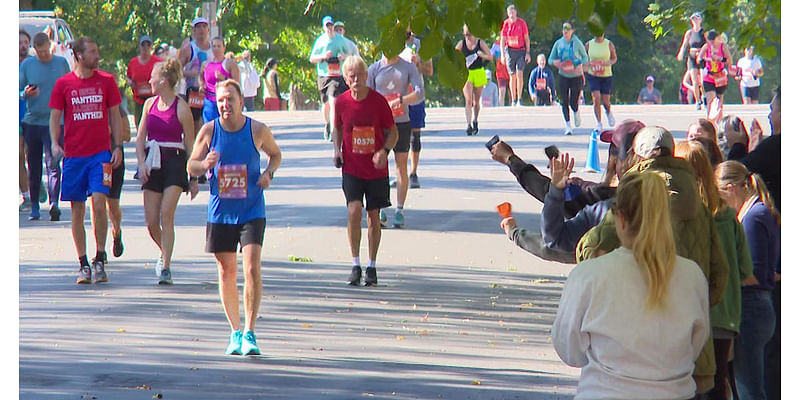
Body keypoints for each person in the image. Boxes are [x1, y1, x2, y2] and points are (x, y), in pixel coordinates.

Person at [577, 126, 730, 396]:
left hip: (638, 353)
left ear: (638, 156)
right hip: (691, 352)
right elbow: (720, 274)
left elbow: (590, 248)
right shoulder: (700, 206)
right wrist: (691, 305)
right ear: (673, 153)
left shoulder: (634, 196)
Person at [552, 171, 711, 399]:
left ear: (621, 219)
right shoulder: (692, 275)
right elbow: (695, 346)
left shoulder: (588, 275)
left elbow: (570, 351)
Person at [187, 79, 281, 355]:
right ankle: (235, 332)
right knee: (227, 270)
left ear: (241, 101)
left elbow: (275, 155)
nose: (225, 105)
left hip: (252, 208)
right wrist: (204, 164)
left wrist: (268, 174)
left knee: (251, 267)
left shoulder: (257, 130)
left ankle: (250, 332)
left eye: (230, 99)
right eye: (221, 100)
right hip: (221, 210)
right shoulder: (209, 130)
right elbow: (191, 164)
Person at [675, 141, 755, 400]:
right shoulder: (727, 215)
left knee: (684, 382)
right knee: (717, 382)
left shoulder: (684, 217)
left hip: (690, 313)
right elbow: (745, 268)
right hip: (725, 315)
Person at [49, 36, 124, 284]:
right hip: (74, 156)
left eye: (97, 50)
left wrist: (118, 146)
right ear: (79, 55)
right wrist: (54, 142)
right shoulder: (64, 84)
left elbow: (114, 115)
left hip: (100, 154)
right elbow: (55, 116)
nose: (97, 55)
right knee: (77, 209)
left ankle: (100, 258)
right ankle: (83, 263)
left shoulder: (107, 82)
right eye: (92, 51)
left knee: (100, 203)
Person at [715, 161, 780, 400]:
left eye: (719, 193)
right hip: (760, 306)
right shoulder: (759, 211)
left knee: (749, 388)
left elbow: (754, 273)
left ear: (731, 188)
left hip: (751, 308)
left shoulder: (752, 216)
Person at [332, 55, 398, 286]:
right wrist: (337, 150)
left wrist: (384, 151)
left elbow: (393, 132)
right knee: (353, 210)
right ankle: (355, 264)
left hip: (376, 170)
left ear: (366, 76)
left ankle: (371, 265)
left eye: (360, 74)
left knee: (373, 217)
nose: (356, 79)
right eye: (351, 75)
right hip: (352, 167)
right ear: (346, 79)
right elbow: (337, 128)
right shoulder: (341, 102)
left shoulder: (378, 102)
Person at [136, 58, 199, 284]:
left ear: (162, 81)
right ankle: (164, 252)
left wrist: (193, 177)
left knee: (166, 214)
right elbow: (140, 138)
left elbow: (191, 145)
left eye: (152, 77)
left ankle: (166, 267)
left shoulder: (181, 107)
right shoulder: (148, 105)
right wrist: (141, 163)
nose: (149, 80)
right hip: (153, 162)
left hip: (174, 162)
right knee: (151, 221)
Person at [367, 53, 423, 228]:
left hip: (401, 122)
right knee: (379, 166)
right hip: (379, 124)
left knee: (401, 166)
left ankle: (399, 210)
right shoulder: (374, 69)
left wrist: (401, 100)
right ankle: (381, 207)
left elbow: (420, 93)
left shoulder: (408, 67)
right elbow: (366, 95)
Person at [20, 32, 70, 221]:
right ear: (35, 49)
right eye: (38, 52)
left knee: (53, 162)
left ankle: (54, 203)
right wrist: (25, 93)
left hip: (56, 121)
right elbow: (17, 91)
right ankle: (34, 205)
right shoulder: (28, 65)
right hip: (33, 121)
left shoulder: (60, 64)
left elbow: (69, 86)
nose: (42, 55)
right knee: (34, 166)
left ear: (50, 46)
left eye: (45, 51)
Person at [310, 15, 353, 141]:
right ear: (323, 27)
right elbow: (312, 58)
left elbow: (349, 53)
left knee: (334, 101)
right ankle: (328, 124)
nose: (329, 28)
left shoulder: (340, 39)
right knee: (326, 104)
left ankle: (335, 129)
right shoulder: (320, 40)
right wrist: (323, 56)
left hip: (337, 74)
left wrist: (342, 56)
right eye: (327, 26)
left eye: (331, 25)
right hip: (324, 74)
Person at [400, 29, 433, 189]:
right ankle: (400, 173)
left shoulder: (422, 46)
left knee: (415, 136)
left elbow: (430, 71)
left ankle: (413, 173)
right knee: (398, 136)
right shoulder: (393, 45)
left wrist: (417, 63)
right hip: (398, 96)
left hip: (416, 95)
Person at [549, 21, 588, 136]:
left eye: (568, 28)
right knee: (564, 100)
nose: (565, 31)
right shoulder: (559, 43)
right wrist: (555, 62)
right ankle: (568, 126)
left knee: (573, 102)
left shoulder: (577, 43)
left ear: (572, 30)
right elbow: (550, 59)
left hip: (576, 76)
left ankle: (576, 111)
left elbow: (585, 57)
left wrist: (579, 65)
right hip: (563, 75)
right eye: (564, 28)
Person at [179, 17, 213, 139]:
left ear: (208, 29)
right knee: (194, 124)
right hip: (194, 92)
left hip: (211, 92)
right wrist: (189, 73)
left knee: (211, 123)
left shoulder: (214, 48)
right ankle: (194, 150)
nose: (201, 30)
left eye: (204, 26)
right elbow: (176, 70)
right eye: (198, 27)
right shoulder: (189, 49)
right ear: (193, 30)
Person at [455, 24, 492, 136]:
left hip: (479, 71)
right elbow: (453, 55)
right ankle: (468, 124)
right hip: (467, 73)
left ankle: (475, 120)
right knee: (468, 100)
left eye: (469, 34)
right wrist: (460, 63)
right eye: (465, 34)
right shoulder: (462, 43)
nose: (468, 37)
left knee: (476, 102)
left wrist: (482, 56)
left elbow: (490, 57)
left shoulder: (480, 43)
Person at [199, 37, 240, 123]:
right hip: (209, 101)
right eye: (214, 46)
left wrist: (224, 79)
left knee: (226, 127)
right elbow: (201, 78)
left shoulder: (230, 63)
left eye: (219, 46)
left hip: (225, 102)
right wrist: (201, 86)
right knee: (210, 128)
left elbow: (237, 84)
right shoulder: (206, 64)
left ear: (224, 48)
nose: (216, 49)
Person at [126, 35, 162, 130]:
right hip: (139, 99)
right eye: (143, 45)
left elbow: (165, 76)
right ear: (139, 46)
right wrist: (130, 82)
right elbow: (128, 76)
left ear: (151, 47)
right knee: (140, 126)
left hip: (154, 99)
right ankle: (141, 143)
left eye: (148, 45)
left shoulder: (157, 62)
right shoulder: (133, 62)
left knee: (154, 126)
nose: (145, 47)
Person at [698, 30, 733, 123]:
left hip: (720, 76)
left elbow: (729, 61)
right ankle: (710, 123)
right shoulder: (706, 47)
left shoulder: (723, 47)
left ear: (718, 38)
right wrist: (707, 59)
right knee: (711, 100)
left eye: (714, 40)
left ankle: (719, 122)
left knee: (719, 102)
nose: (712, 43)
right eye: (710, 40)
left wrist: (720, 59)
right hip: (709, 76)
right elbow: (699, 59)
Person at [585, 32, 617, 130]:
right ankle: (599, 123)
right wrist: (589, 64)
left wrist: (607, 63)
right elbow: (583, 59)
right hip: (593, 75)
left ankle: (608, 112)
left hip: (606, 75)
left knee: (606, 101)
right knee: (596, 98)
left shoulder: (609, 44)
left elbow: (614, 58)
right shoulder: (588, 45)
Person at [500, 4, 530, 107]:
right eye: (509, 13)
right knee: (512, 76)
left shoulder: (522, 23)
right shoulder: (505, 24)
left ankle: (520, 98)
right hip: (510, 51)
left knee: (519, 73)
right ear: (507, 14)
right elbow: (502, 40)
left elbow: (526, 38)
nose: (511, 15)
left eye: (513, 12)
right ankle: (513, 99)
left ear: (516, 13)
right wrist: (503, 55)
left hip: (520, 50)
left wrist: (527, 53)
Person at [677, 11, 706, 110]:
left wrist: (702, 53)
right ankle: (698, 101)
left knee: (702, 80)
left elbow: (708, 46)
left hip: (702, 57)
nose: (695, 21)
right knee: (694, 80)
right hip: (692, 57)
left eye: (697, 18)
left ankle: (704, 97)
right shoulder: (689, 33)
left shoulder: (704, 33)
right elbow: (684, 44)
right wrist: (681, 52)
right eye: (693, 19)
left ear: (700, 20)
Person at [20, 29, 33, 211]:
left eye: (25, 43)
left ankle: (35, 184)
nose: (22, 46)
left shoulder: (33, 64)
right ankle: (27, 195)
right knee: (17, 157)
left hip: (32, 117)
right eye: (19, 43)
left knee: (31, 157)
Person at [490, 40, 510, 106]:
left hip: (511, 71)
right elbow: (490, 56)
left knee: (512, 94)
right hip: (500, 72)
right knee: (502, 92)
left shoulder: (510, 42)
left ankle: (513, 108)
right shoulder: (496, 44)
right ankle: (501, 107)